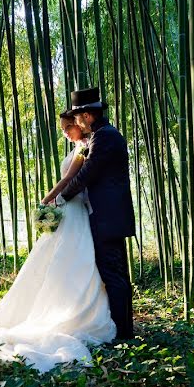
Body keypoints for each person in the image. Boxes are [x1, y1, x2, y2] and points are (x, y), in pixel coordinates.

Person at [0, 112, 117, 373]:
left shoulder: (85, 148)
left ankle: (74, 309)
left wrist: (48, 197)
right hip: (69, 207)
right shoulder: (80, 146)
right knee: (54, 257)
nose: (66, 132)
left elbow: (69, 180)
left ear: (80, 125)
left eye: (69, 127)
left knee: (72, 257)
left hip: (74, 207)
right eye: (64, 129)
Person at [52, 86, 136, 340]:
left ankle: (123, 334)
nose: (76, 122)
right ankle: (122, 330)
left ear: (87, 116)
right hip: (108, 216)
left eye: (77, 117)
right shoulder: (103, 136)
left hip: (107, 217)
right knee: (115, 273)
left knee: (114, 275)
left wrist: (61, 198)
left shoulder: (105, 137)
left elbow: (87, 174)